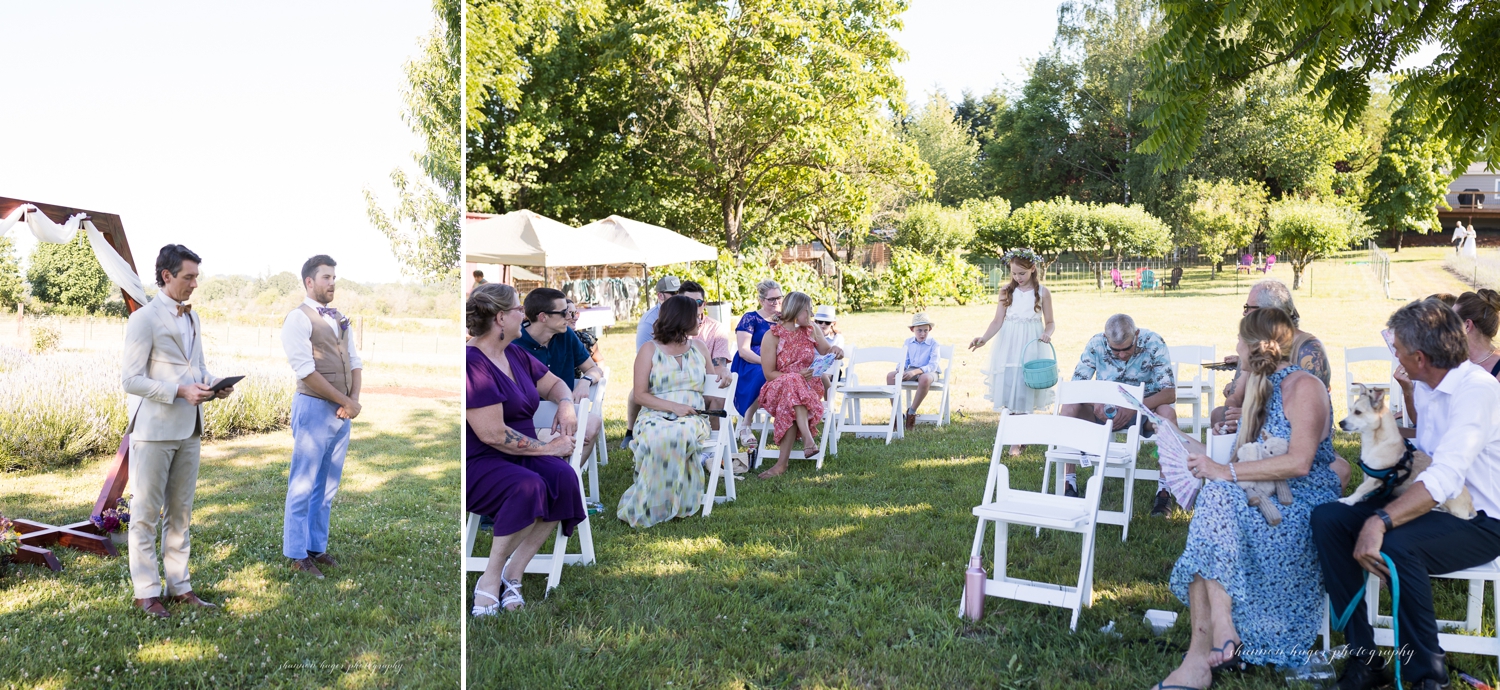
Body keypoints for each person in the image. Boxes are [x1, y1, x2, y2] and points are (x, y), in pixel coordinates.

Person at [1312, 299, 1500, 690]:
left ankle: (1428, 677)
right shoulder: (1429, 384)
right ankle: (1366, 661)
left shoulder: (1477, 390)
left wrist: (1380, 521)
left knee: (1396, 544)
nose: (1392, 353)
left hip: (1479, 519)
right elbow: (1422, 454)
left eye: (1396, 348)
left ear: (1419, 356)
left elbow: (1445, 475)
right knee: (1328, 518)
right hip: (1430, 503)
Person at [1153, 308, 1342, 690]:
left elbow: (1300, 463)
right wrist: (1180, 439)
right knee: (1215, 501)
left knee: (1217, 496)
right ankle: (1215, 639)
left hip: (1302, 502)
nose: (1235, 347)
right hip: (1260, 491)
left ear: (1254, 345)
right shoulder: (1262, 387)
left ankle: (1199, 658)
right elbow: (1240, 457)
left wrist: (1225, 473)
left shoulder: (1304, 386)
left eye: (1239, 340)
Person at [121, 244, 235, 618]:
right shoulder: (143, 319)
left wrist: (213, 384)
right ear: (167, 276)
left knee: (181, 514)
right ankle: (146, 592)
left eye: (196, 277)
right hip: (154, 431)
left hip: (190, 429)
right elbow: (131, 380)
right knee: (145, 514)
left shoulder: (194, 318)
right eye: (189, 277)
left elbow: (197, 367)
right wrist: (178, 391)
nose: (195, 284)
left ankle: (179, 586)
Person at [466, 283, 583, 615]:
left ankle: (513, 572)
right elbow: (493, 435)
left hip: (523, 455)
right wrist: (548, 448)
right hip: (483, 462)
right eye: (519, 309)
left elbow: (555, 383)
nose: (524, 315)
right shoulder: (472, 363)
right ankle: (489, 578)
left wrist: (565, 405)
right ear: (501, 318)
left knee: (563, 479)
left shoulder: (515, 353)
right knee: (528, 486)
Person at [1212, 279, 1349, 490]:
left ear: (1271, 314)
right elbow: (1234, 398)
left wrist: (1251, 416)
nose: (1244, 313)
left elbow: (1307, 414)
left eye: (1249, 308)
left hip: (1293, 434)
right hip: (1255, 424)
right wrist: (1235, 417)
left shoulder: (1307, 351)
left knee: (1339, 469)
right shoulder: (1253, 350)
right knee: (1218, 415)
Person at [280, 254, 363, 579]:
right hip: (314, 408)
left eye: (334, 277)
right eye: (326, 277)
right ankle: (296, 553)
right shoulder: (297, 319)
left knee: (327, 484)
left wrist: (353, 401)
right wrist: (345, 400)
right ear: (309, 282)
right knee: (302, 482)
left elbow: (355, 360)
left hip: (342, 411)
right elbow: (306, 371)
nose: (332, 283)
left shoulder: (341, 318)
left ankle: (316, 546)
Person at [618, 295, 728, 527]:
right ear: (681, 319)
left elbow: (711, 386)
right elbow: (639, 395)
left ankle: (673, 500)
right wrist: (673, 407)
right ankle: (653, 502)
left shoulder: (699, 347)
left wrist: (723, 374)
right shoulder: (649, 350)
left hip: (691, 416)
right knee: (658, 437)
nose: (701, 319)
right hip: (654, 413)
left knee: (679, 435)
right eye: (695, 316)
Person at [1062, 314, 1178, 505]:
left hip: (1143, 411)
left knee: (1168, 414)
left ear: (1136, 334)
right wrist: (1095, 404)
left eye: (1127, 348)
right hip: (1103, 411)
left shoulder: (1154, 342)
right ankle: (1069, 484)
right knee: (1068, 408)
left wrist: (1135, 407)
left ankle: (1164, 489)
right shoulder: (1096, 344)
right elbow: (1076, 387)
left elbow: (1169, 393)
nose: (1122, 355)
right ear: (1106, 339)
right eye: (1116, 351)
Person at [970, 248, 1056, 456]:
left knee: (1025, 387)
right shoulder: (1006, 292)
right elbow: (997, 321)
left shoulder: (1043, 292)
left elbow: (1051, 322)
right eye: (1014, 273)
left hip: (1031, 344)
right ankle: (1015, 437)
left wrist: (1047, 333)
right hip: (1008, 343)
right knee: (1011, 386)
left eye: (1022, 274)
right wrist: (983, 338)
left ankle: (1017, 440)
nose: (1017, 278)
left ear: (1033, 269)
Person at [756, 291, 843, 479]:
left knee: (793, 398)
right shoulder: (771, 337)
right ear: (796, 311)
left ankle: (781, 465)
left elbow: (826, 351)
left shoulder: (811, 330)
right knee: (792, 382)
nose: (811, 315)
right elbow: (769, 374)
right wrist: (795, 375)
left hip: (808, 388)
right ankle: (808, 439)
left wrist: (835, 350)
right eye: (808, 310)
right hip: (776, 388)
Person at [517, 287, 604, 463]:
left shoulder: (566, 335)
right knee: (562, 441)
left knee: (592, 422)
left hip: (566, 412)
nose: (570, 317)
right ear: (543, 317)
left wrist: (585, 381)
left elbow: (595, 369)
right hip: (529, 420)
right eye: (564, 313)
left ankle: (569, 475)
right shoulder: (514, 342)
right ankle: (554, 478)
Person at [621, 275, 680, 450]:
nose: (678, 297)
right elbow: (644, 356)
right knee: (639, 389)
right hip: (657, 364)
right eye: (673, 294)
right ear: (660, 296)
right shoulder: (649, 322)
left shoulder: (681, 312)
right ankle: (631, 431)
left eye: (679, 293)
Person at [730, 280, 783, 449]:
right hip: (751, 362)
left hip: (778, 362)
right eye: (771, 299)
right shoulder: (750, 318)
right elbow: (744, 350)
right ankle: (745, 425)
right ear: (761, 300)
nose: (776, 302)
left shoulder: (785, 319)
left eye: (779, 298)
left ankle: (792, 425)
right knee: (764, 374)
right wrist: (767, 363)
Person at [678, 281, 731, 419]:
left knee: (718, 395)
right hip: (676, 385)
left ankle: (715, 438)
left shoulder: (716, 329)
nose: (694, 306)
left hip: (704, 384)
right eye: (689, 302)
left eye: (698, 302)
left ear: (704, 304)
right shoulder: (671, 328)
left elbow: (718, 369)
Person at [891, 313, 942, 431]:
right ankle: (897, 413)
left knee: (924, 378)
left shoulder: (934, 344)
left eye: (925, 330)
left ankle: (911, 412)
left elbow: (933, 365)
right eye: (919, 330)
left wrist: (915, 373)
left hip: (929, 371)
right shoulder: (908, 342)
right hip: (912, 369)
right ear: (912, 329)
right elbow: (904, 360)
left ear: (930, 329)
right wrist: (901, 370)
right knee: (891, 376)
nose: (923, 334)